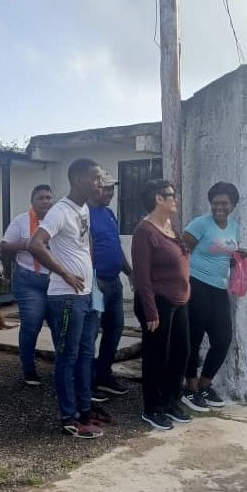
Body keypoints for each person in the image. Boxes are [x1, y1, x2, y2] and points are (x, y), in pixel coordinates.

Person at [27, 158, 105, 438]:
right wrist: (65, 274)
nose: (100, 183)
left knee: (86, 355)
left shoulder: (83, 208)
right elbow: (34, 244)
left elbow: (84, 245)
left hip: (85, 296)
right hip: (66, 298)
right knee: (68, 357)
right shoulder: (59, 211)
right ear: (79, 179)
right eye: (95, 177)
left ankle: (85, 410)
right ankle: (68, 417)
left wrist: (89, 276)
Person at [181, 182, 247, 411]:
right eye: (215, 203)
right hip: (197, 286)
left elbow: (228, 254)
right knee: (193, 340)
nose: (219, 207)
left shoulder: (234, 226)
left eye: (224, 203)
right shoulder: (200, 224)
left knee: (223, 339)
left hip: (219, 289)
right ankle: (190, 389)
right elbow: (181, 253)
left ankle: (205, 385)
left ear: (233, 205)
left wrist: (243, 254)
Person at [131, 179, 192, 431]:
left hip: (179, 301)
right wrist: (151, 311)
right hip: (157, 302)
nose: (175, 199)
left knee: (181, 352)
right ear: (158, 198)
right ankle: (152, 408)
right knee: (157, 357)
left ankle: (170, 402)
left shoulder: (168, 226)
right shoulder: (144, 231)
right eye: (171, 195)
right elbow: (142, 276)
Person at [0, 184, 54, 386]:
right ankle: (29, 369)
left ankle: (64, 369)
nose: (46, 201)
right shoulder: (21, 220)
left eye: (49, 197)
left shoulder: (56, 220)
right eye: (41, 198)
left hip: (55, 280)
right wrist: (29, 244)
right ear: (32, 200)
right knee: (32, 325)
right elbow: (4, 246)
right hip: (29, 280)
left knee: (60, 327)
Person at [87, 172, 132, 401]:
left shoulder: (109, 214)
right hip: (97, 284)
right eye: (106, 189)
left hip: (114, 282)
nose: (110, 194)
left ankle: (104, 375)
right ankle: (87, 382)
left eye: (113, 190)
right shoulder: (84, 214)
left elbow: (115, 246)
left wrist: (129, 272)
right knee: (91, 333)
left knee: (114, 330)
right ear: (94, 188)